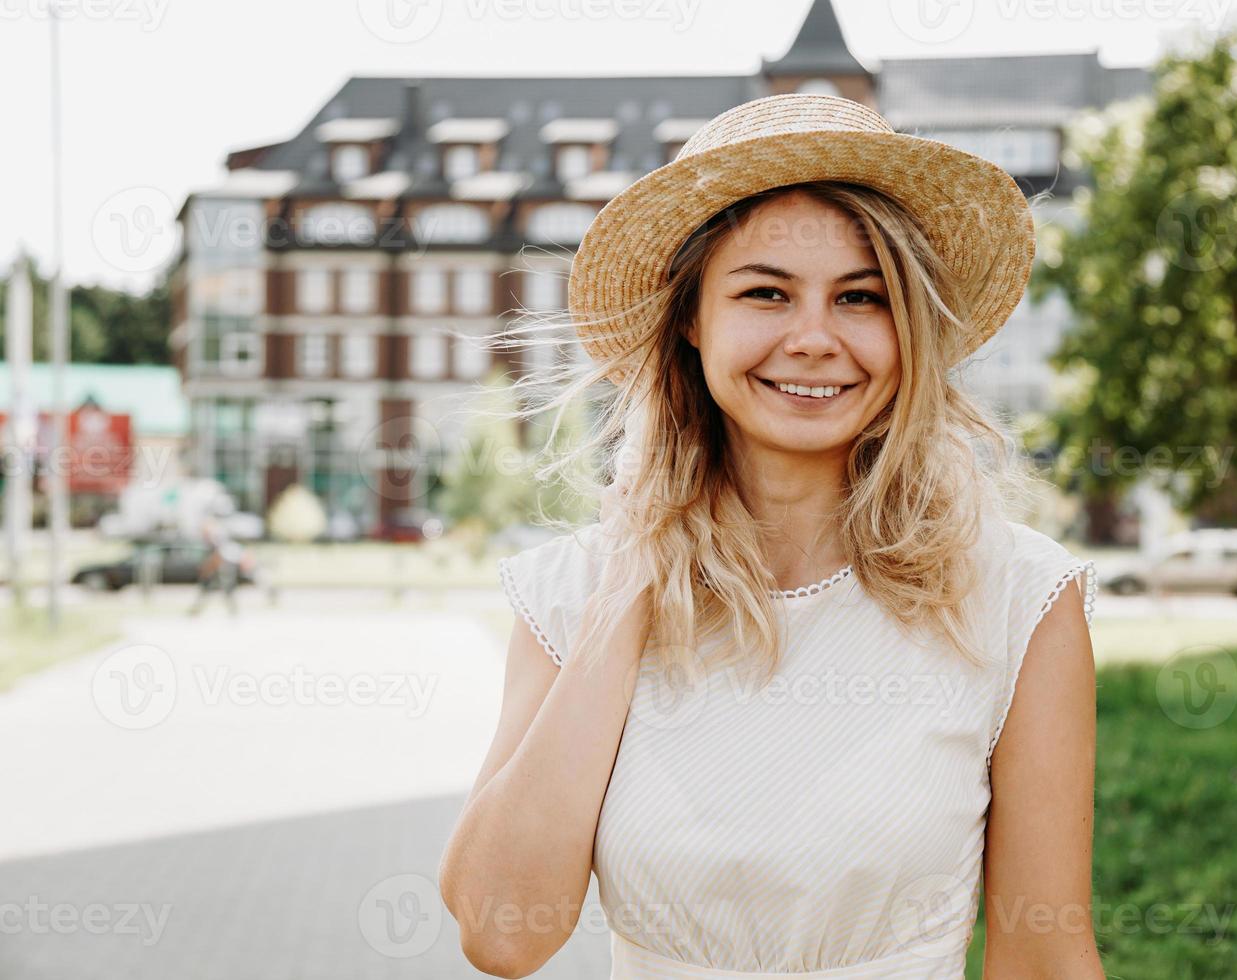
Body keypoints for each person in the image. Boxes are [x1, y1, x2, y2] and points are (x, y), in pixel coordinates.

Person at [440, 93, 1102, 978]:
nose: (814, 339)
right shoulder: (575, 591)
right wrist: (635, 581)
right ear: (692, 320)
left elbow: (1044, 956)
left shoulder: (1017, 597)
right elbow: (501, 932)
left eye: (861, 297)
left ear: (909, 330)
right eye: (766, 293)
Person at [188, 517, 243, 616]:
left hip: (224, 565)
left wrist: (207, 569)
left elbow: (218, 557)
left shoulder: (215, 539)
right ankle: (196, 610)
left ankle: (233, 611)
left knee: (225, 588)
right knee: (208, 588)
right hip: (222, 564)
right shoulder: (214, 539)